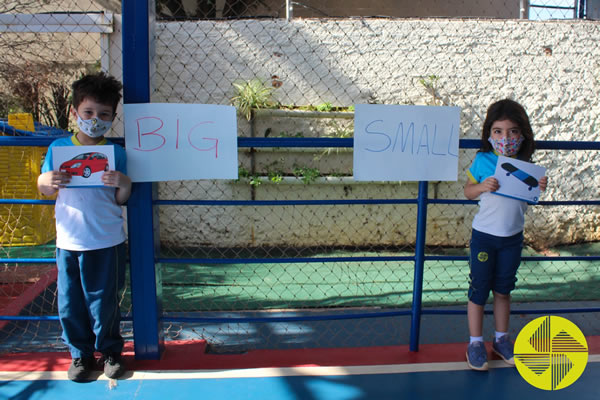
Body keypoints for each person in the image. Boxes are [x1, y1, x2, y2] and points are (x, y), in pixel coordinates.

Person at [37, 72, 131, 381]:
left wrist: (124, 183)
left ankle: (110, 352)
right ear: (75, 112)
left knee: (104, 303)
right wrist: (45, 181)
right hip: (69, 242)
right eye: (88, 113)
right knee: (69, 303)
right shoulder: (58, 148)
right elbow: (45, 187)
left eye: (104, 115)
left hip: (107, 241)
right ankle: (80, 355)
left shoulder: (116, 154)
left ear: (113, 117)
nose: (95, 119)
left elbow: (121, 199)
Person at [463, 99, 548, 371]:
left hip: (512, 238)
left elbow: (530, 198)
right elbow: (468, 191)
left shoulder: (527, 166)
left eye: (512, 131)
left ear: (523, 134)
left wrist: (541, 185)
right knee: (479, 290)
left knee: (503, 290)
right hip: (485, 236)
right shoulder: (483, 160)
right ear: (489, 133)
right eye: (498, 131)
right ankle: (475, 342)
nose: (505, 137)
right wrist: (482, 187)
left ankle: (501, 340)